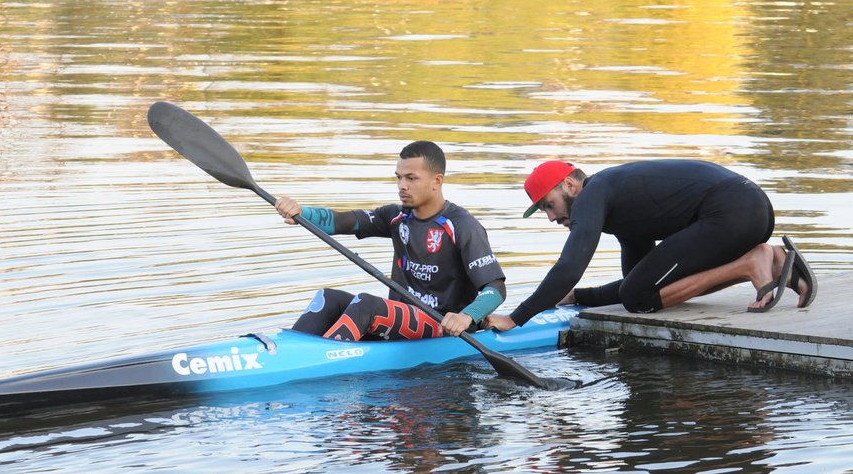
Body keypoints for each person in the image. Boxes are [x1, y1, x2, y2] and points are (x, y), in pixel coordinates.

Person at [486, 159, 817, 332]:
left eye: (548, 205)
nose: (550, 218)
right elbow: (640, 285)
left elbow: (570, 266)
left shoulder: (592, 194)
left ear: (571, 185)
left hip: (732, 212)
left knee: (638, 298)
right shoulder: (620, 207)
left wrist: (516, 318)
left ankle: (750, 264)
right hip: (750, 210)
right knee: (642, 294)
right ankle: (770, 264)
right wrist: (578, 298)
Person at [274, 141, 506, 342]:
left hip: (444, 325)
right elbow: (343, 221)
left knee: (366, 304)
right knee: (329, 298)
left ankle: (316, 359)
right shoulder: (397, 217)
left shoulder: (462, 225)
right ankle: (286, 353)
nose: (402, 186)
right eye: (399, 177)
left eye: (411, 178)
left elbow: (495, 289)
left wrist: (466, 316)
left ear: (437, 181)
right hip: (402, 319)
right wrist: (301, 213)